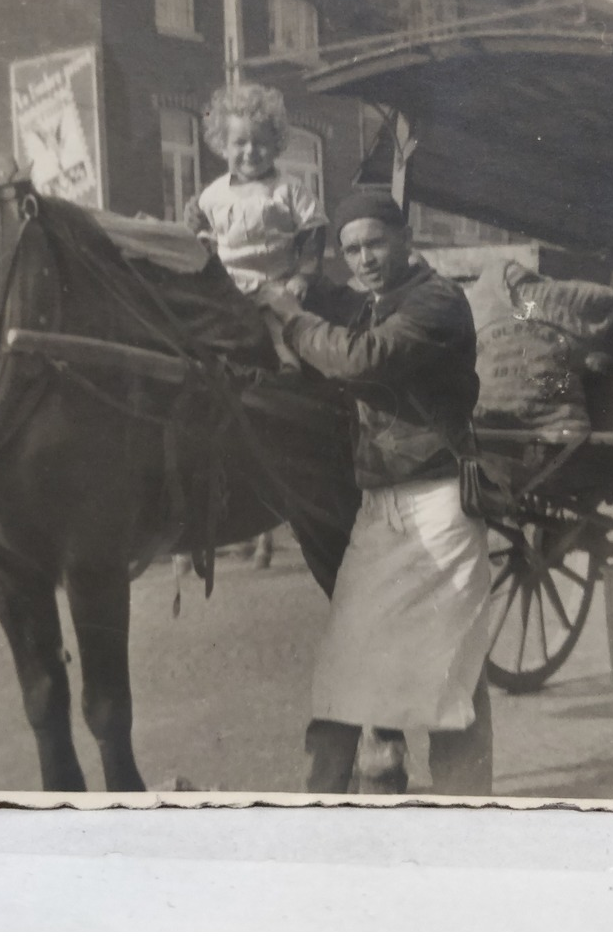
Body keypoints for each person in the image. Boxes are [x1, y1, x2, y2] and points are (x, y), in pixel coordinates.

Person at [257, 190, 497, 796]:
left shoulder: (437, 303)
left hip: (440, 508)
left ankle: (467, 816)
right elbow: (341, 315)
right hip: (380, 511)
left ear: (406, 239)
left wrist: (290, 314)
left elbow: (360, 361)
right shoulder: (376, 303)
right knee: (344, 671)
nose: (364, 259)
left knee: (448, 681)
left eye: (375, 244)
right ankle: (329, 806)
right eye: (352, 249)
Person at [185, 83, 328, 371]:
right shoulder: (213, 193)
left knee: (276, 319)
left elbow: (313, 230)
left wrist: (303, 276)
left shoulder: (288, 189)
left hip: (275, 279)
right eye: (240, 143)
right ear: (223, 146)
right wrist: (197, 231)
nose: (251, 151)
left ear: (276, 145)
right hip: (227, 282)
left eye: (261, 143)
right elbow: (196, 225)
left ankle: (288, 364)